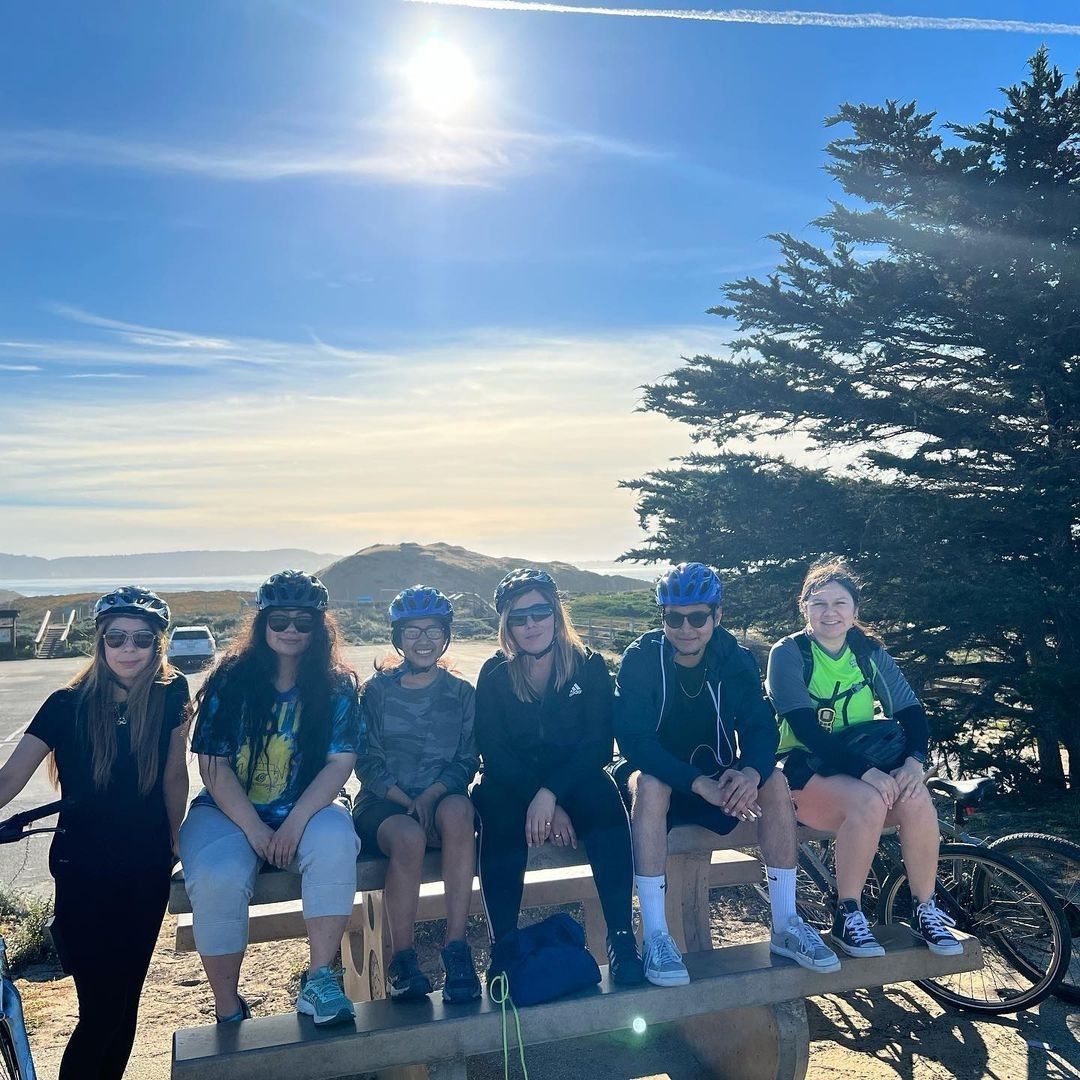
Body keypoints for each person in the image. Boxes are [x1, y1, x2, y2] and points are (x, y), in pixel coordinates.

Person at [614, 562, 840, 987]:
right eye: (674, 618)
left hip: (720, 778)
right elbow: (635, 742)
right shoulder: (641, 659)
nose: (686, 628)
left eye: (697, 617)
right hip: (666, 781)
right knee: (649, 782)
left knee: (773, 779)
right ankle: (657, 938)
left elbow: (759, 725)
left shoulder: (734, 659)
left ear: (716, 617)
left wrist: (750, 771)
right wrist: (696, 782)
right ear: (662, 616)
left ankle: (786, 925)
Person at [0, 586, 189, 1079]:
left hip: (146, 866)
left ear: (157, 644)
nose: (129, 649)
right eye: (117, 638)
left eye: (142, 639)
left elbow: (174, 774)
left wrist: (177, 837)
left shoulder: (173, 693)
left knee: (126, 1002)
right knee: (101, 1007)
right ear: (101, 643)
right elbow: (9, 777)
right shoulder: (66, 703)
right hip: (81, 869)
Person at [179, 570, 363, 1027]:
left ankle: (319, 979)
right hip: (228, 810)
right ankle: (227, 1005)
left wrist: (296, 823)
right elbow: (213, 765)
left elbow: (339, 764)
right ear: (262, 625)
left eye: (303, 622)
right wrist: (256, 829)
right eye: (279, 621)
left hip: (308, 806)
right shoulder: (231, 678)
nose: (291, 631)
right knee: (218, 876)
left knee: (337, 843)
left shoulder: (338, 685)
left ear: (319, 629)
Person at [765, 559, 961, 958]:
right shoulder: (789, 653)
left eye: (840, 603)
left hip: (860, 765)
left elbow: (909, 710)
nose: (830, 612)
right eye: (819, 603)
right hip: (802, 767)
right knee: (868, 799)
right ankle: (847, 914)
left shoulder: (867, 650)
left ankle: (926, 909)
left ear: (856, 610)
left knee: (917, 797)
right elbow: (805, 730)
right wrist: (868, 772)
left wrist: (913, 763)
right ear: (804, 608)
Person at [472, 569, 645, 984]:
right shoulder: (495, 674)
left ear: (556, 614)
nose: (530, 624)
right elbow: (493, 752)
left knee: (605, 801)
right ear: (506, 626)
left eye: (539, 611)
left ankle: (622, 940)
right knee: (494, 813)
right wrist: (538, 795)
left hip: (571, 780)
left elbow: (598, 745)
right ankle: (504, 948)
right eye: (518, 617)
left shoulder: (587, 666)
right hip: (513, 783)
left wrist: (553, 795)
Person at [353, 585, 481, 1003]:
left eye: (433, 631)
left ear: (446, 636)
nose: (423, 640)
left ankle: (456, 946)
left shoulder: (462, 694)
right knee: (408, 838)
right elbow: (365, 762)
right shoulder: (376, 692)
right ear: (398, 638)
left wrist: (430, 796)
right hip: (383, 804)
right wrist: (407, 801)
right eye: (413, 631)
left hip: (441, 799)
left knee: (461, 813)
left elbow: (466, 759)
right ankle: (403, 961)